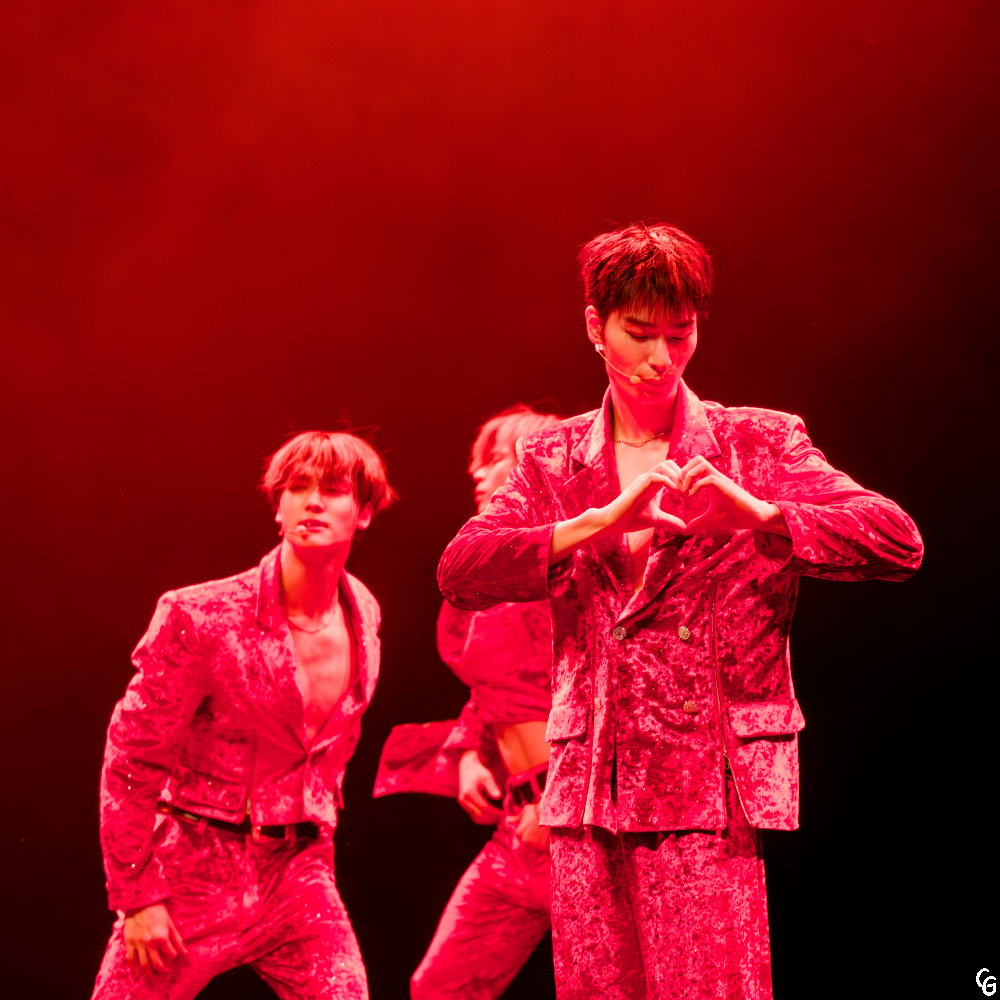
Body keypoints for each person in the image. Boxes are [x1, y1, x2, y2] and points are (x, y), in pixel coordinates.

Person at [437, 222, 924, 999]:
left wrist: (760, 515)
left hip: (705, 793)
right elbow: (460, 572)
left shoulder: (756, 443)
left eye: (680, 333)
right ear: (595, 327)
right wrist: (597, 522)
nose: (661, 358)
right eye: (639, 334)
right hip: (589, 792)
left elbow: (897, 540)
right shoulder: (554, 460)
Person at [92, 430, 395, 1000]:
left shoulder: (364, 612)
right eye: (297, 488)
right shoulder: (200, 616)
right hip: (193, 868)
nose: (312, 501)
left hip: (298, 875)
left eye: (332, 490)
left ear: (364, 513)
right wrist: (136, 894)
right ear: (278, 508)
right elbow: (130, 760)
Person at [373, 405, 560, 1000]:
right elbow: (490, 691)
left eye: (495, 460)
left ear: (536, 466)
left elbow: (615, 693)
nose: (477, 474)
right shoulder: (484, 579)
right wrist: (471, 757)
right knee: (439, 987)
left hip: (580, 829)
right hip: (519, 827)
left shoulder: (576, 568)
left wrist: (560, 803)